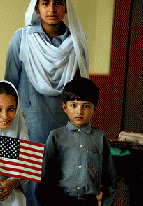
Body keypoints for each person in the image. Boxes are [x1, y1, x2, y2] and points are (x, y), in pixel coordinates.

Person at [4, 0, 90, 205]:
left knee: (61, 188)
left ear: (65, 7)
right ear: (36, 7)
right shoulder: (21, 39)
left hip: (65, 129)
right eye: (46, 3)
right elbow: (9, 85)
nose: (52, 9)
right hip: (28, 128)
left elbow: (81, 93)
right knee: (28, 188)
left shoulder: (77, 42)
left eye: (58, 3)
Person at [35, 77, 117, 206]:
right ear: (64, 107)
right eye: (73, 105)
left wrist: (106, 203)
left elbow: (110, 178)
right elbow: (46, 178)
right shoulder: (56, 137)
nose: (79, 111)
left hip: (90, 201)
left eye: (86, 106)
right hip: (61, 201)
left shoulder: (99, 137)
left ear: (94, 109)